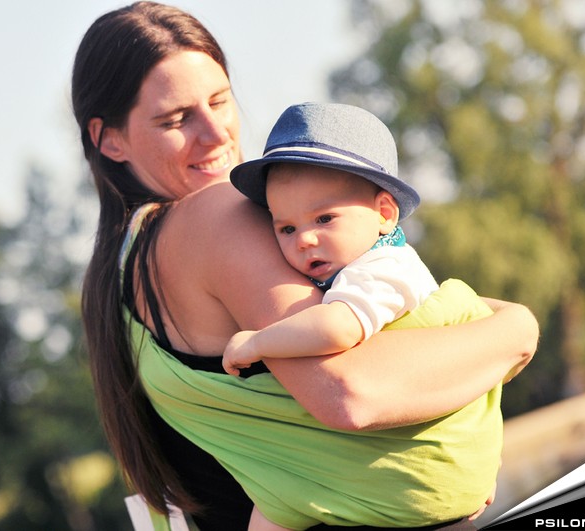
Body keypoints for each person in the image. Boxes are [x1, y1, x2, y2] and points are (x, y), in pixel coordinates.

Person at [71, 2, 539, 530]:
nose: (216, 133)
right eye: (176, 119)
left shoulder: (118, 270)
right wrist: (517, 327)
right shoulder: (214, 215)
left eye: (220, 100)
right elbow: (351, 391)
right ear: (109, 139)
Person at [223, 102, 505, 531]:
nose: (305, 239)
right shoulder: (353, 268)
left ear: (384, 214)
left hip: (418, 457)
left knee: (276, 503)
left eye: (324, 218)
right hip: (412, 450)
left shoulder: (382, 270)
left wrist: (257, 341)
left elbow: (337, 328)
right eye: (287, 228)